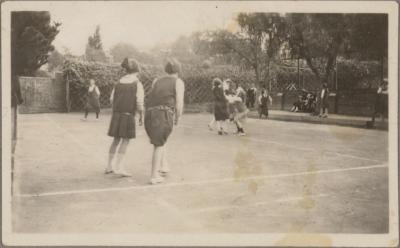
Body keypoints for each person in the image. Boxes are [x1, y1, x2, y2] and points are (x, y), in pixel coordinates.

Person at [144, 58, 185, 185]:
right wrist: (178, 117)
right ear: (178, 70)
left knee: (161, 140)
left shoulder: (157, 80)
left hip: (149, 114)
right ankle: (153, 176)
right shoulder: (178, 82)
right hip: (163, 114)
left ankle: (164, 165)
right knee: (159, 145)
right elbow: (179, 103)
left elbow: (151, 96)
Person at [105, 58, 144, 177]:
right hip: (128, 115)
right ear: (137, 70)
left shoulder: (118, 83)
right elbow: (139, 103)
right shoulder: (137, 84)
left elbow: (112, 99)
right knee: (125, 141)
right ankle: (119, 167)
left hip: (116, 115)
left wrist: (118, 108)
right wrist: (141, 115)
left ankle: (109, 166)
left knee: (116, 140)